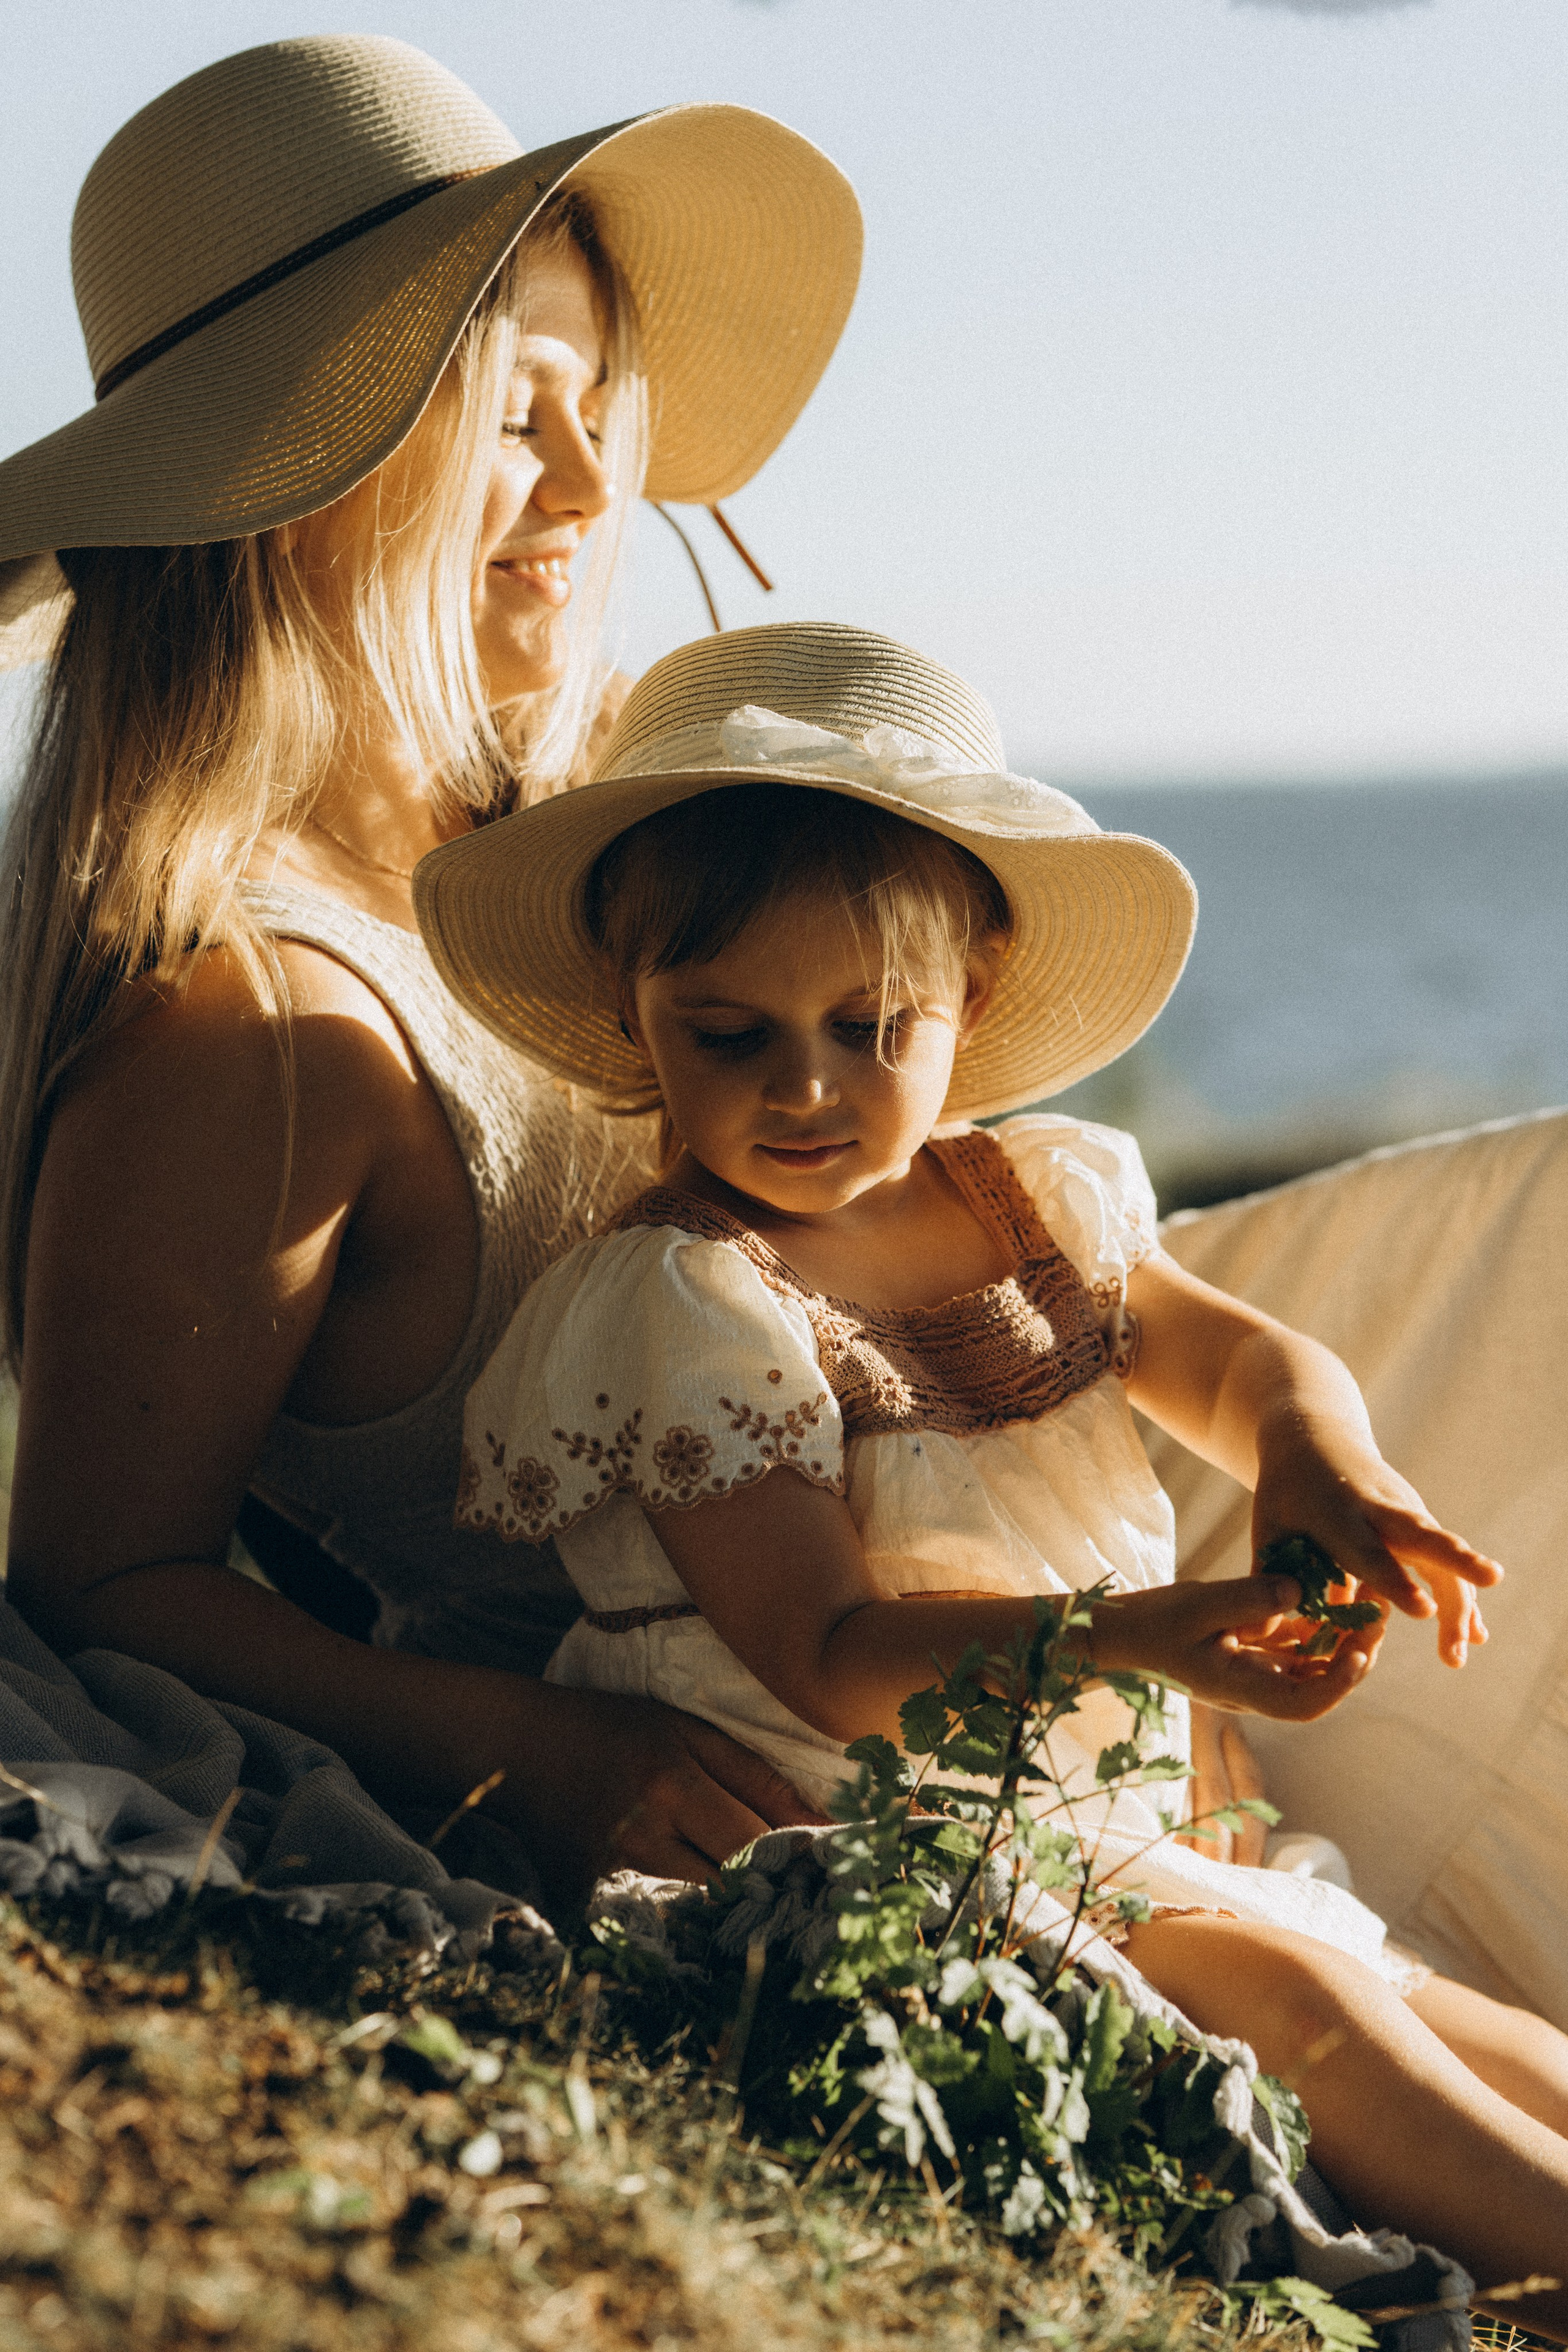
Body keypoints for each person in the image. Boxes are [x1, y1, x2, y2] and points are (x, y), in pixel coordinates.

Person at [422, 622, 1568, 2325]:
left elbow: (1246, 1360)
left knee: (1491, 2030)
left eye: (872, 1026)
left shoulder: (1040, 1201)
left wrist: (1320, 1460)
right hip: (873, 1835)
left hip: (1094, 1824)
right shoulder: (688, 1296)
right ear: (631, 1007)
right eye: (729, 1033)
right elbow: (828, 1658)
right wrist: (1150, 1637)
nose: (804, 1089)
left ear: (977, 989)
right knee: (1303, 2008)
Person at [0, 36, 863, 1902]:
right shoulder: (269, 1029)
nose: (580, 486)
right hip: (769, 1771)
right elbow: (93, 1582)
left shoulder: (624, 866)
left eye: (596, 406)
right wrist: (544, 1750)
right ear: (280, 479)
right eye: (505, 411)